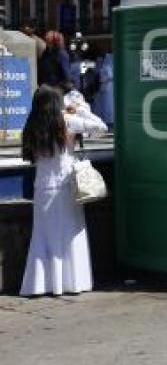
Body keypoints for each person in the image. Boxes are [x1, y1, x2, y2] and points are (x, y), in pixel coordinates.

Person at [19, 85, 107, 296]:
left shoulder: (32, 125)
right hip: (65, 188)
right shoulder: (66, 121)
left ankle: (40, 285)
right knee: (69, 236)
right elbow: (101, 127)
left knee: (42, 237)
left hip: (42, 189)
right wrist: (80, 110)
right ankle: (70, 283)